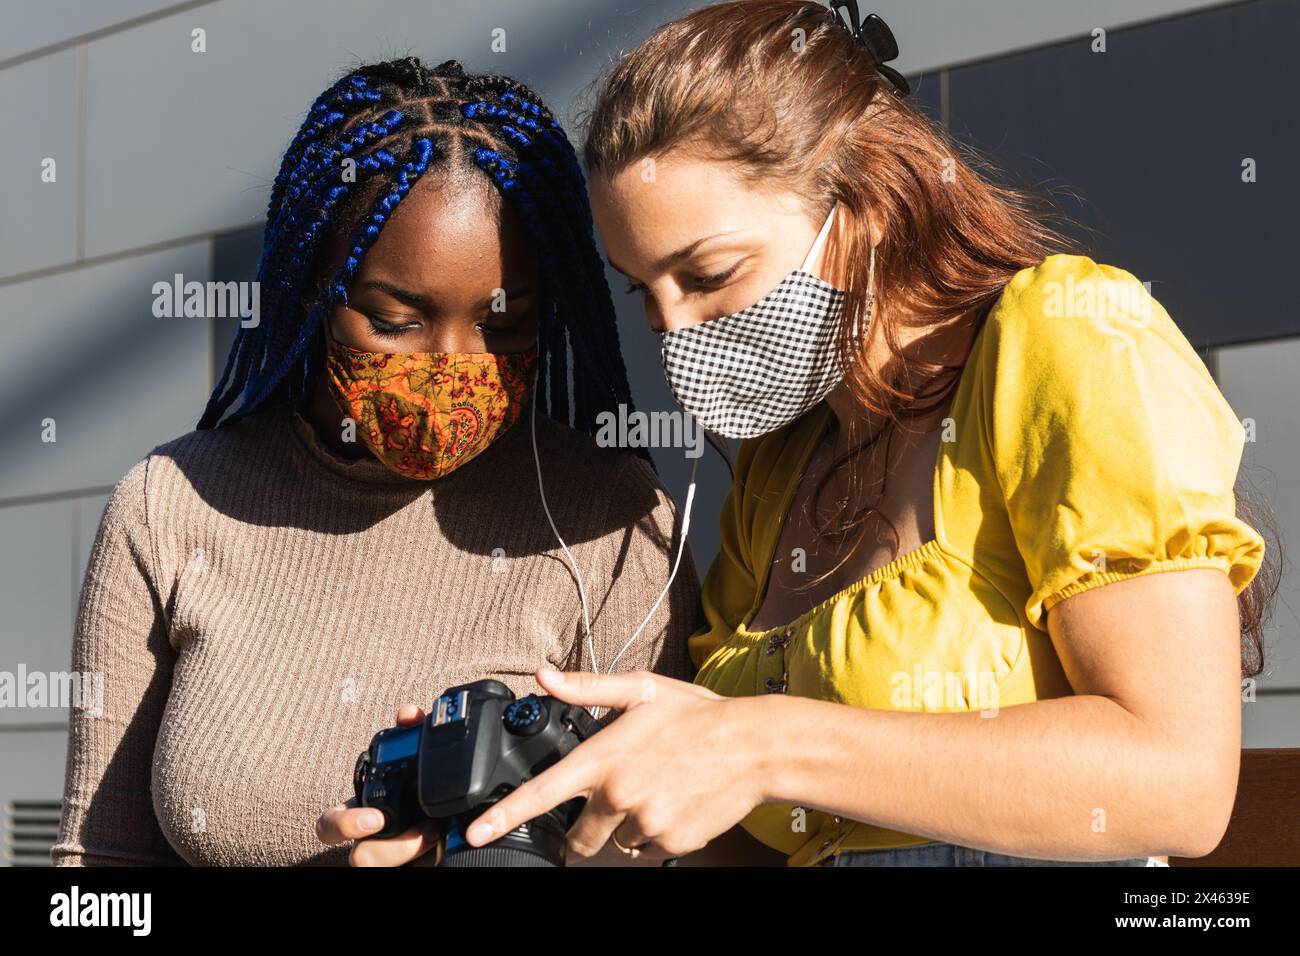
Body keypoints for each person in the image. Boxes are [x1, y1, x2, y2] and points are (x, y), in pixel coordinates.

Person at [455, 1, 1281, 867]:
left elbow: (1179, 784)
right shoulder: (779, 471)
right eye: (643, 292)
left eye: (708, 274)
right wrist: (533, 812)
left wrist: (763, 740)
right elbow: (753, 847)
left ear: (864, 206)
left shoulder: (1062, 333)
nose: (674, 331)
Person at [52, 57, 701, 867]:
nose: (452, 365)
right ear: (313, 292)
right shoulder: (172, 506)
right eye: (396, 320)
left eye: (504, 326)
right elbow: (96, 872)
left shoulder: (609, 526)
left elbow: (652, 852)